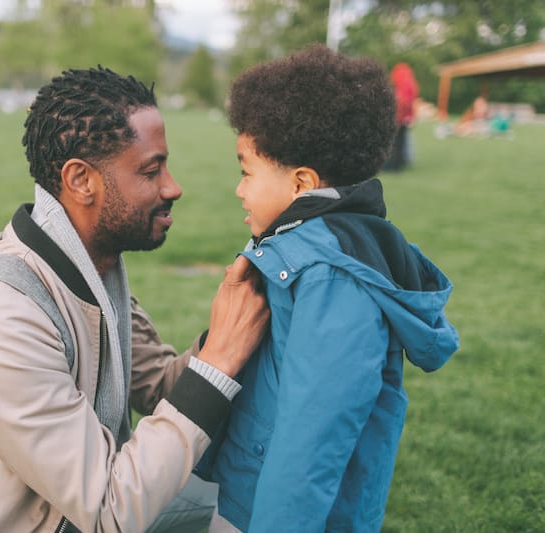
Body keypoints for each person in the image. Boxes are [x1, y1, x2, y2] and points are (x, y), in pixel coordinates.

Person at [0, 67, 269, 533]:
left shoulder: (89, 274)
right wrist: (219, 359)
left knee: (250, 496)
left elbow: (161, 388)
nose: (173, 187)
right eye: (151, 171)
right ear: (81, 180)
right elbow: (110, 510)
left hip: (73, 510)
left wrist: (227, 333)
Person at [195, 44, 460, 532]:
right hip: (244, 494)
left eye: (246, 172)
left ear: (301, 184)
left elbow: (310, 444)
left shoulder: (333, 279)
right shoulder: (300, 248)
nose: (239, 189)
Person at [384, 62, 419, 171]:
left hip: (400, 119)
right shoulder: (411, 84)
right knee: (401, 142)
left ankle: (393, 166)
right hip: (406, 118)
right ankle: (402, 162)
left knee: (396, 143)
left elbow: (402, 103)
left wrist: (397, 118)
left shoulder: (402, 86)